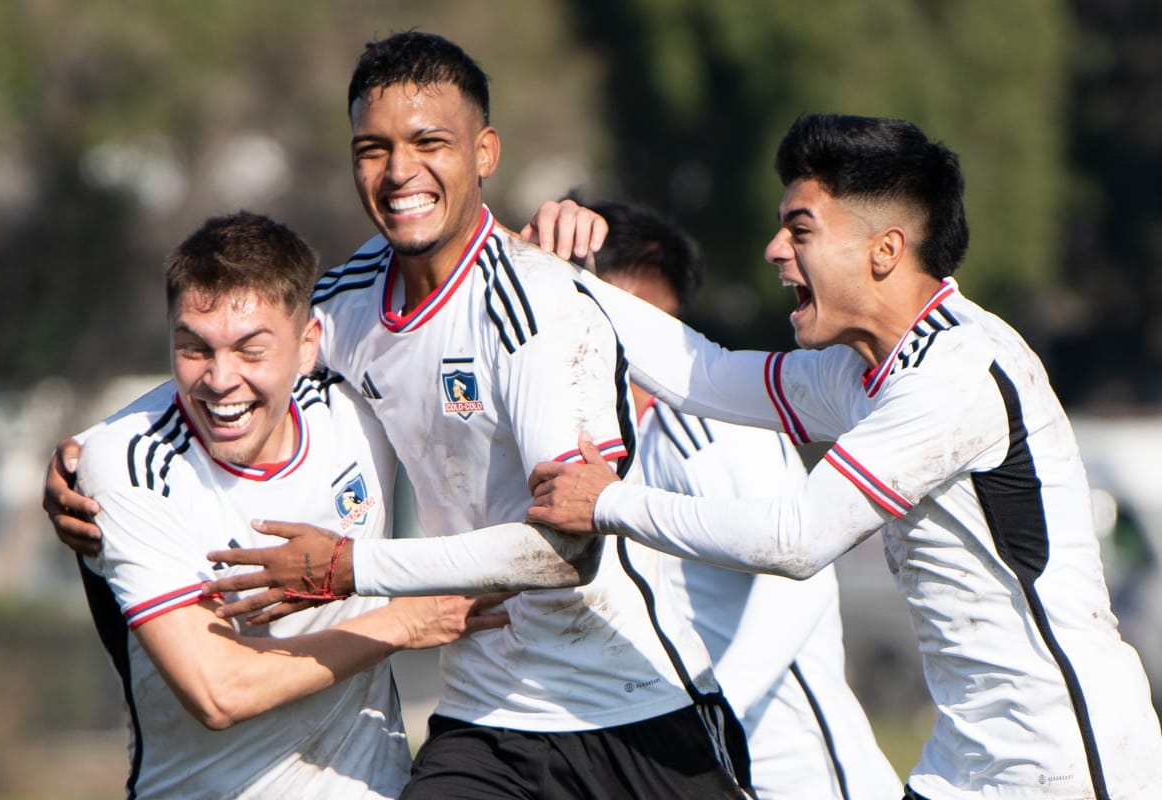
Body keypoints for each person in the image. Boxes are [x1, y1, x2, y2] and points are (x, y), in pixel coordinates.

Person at [47, 32, 752, 799]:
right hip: (489, 714)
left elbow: (566, 555)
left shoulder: (536, 301)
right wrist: (95, 448)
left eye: (429, 141)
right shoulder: (345, 306)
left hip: (635, 704)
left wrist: (355, 573)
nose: (399, 171)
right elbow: (247, 359)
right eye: (372, 148)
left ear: (485, 153)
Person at [524, 114, 1162, 799]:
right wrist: (534, 272)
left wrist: (609, 502)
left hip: (1065, 768)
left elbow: (799, 539)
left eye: (800, 231)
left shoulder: (957, 371)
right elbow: (703, 374)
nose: (775, 250)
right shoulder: (859, 371)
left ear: (884, 251)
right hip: (964, 767)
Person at [69, 210, 514, 799]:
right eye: (194, 349)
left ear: (308, 346)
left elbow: (449, 271)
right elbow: (217, 693)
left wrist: (547, 232)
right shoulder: (129, 463)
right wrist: (405, 622)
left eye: (251, 350)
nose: (220, 379)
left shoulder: (357, 408)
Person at [585, 198, 902, 799]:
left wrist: (710, 712)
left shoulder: (700, 427)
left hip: (798, 776)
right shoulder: (616, 442)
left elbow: (801, 581)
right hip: (703, 776)